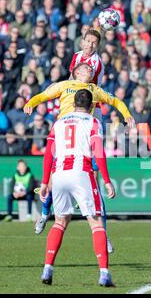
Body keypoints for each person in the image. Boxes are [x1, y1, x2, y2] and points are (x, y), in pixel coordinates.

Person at [24, 63, 135, 254]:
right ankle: (44, 214)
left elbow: (115, 101)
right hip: (64, 135)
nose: (89, 71)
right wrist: (31, 103)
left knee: (96, 190)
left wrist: (127, 114)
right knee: (50, 183)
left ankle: (104, 235)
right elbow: (43, 95)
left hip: (83, 138)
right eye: (85, 69)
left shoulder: (94, 90)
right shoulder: (64, 85)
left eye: (91, 70)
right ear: (76, 72)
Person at [39, 89, 116, 287]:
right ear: (91, 107)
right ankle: (104, 273)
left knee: (60, 221)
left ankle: (48, 268)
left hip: (59, 174)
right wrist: (106, 180)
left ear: (73, 104)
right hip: (81, 171)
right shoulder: (93, 122)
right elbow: (98, 152)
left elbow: (49, 154)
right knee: (96, 222)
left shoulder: (59, 122)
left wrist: (45, 182)